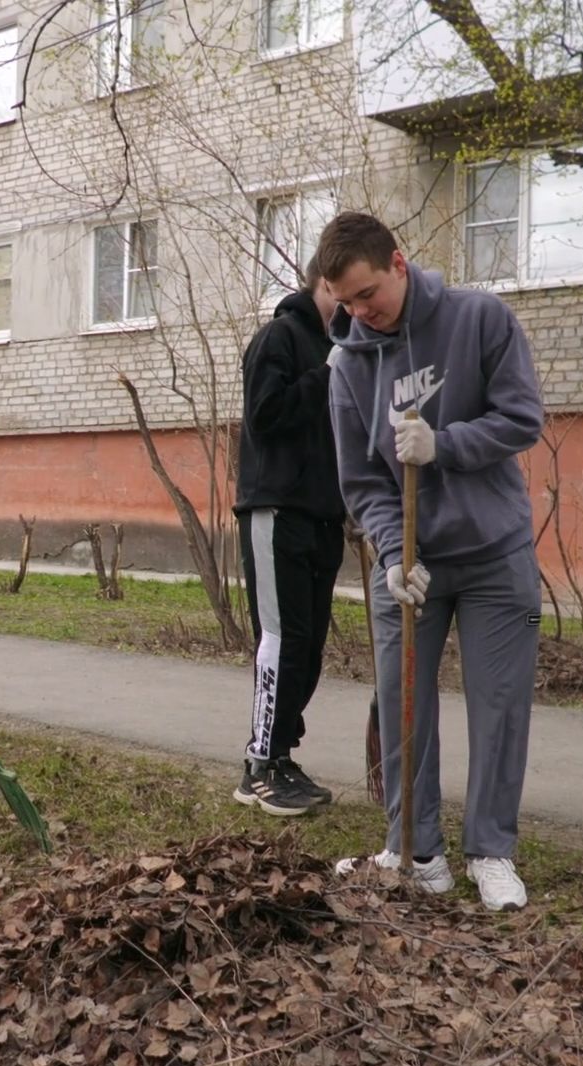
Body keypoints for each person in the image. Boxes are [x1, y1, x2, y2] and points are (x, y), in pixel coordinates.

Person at [319, 212, 545, 912]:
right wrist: (393, 552)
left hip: (492, 553)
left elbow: (521, 417)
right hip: (411, 567)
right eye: (347, 303)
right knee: (402, 706)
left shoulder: (481, 320)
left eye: (368, 295)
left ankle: (491, 851)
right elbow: (362, 483)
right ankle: (417, 850)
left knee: (499, 707)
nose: (361, 313)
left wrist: (444, 444)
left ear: (398, 262)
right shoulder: (348, 366)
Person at [231, 256, 346, 817]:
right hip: (275, 512)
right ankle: (259, 766)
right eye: (346, 289)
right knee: (281, 638)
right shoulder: (279, 337)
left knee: (309, 646)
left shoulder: (339, 350)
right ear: (326, 282)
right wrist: (329, 374)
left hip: (324, 517)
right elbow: (265, 415)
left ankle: (282, 754)